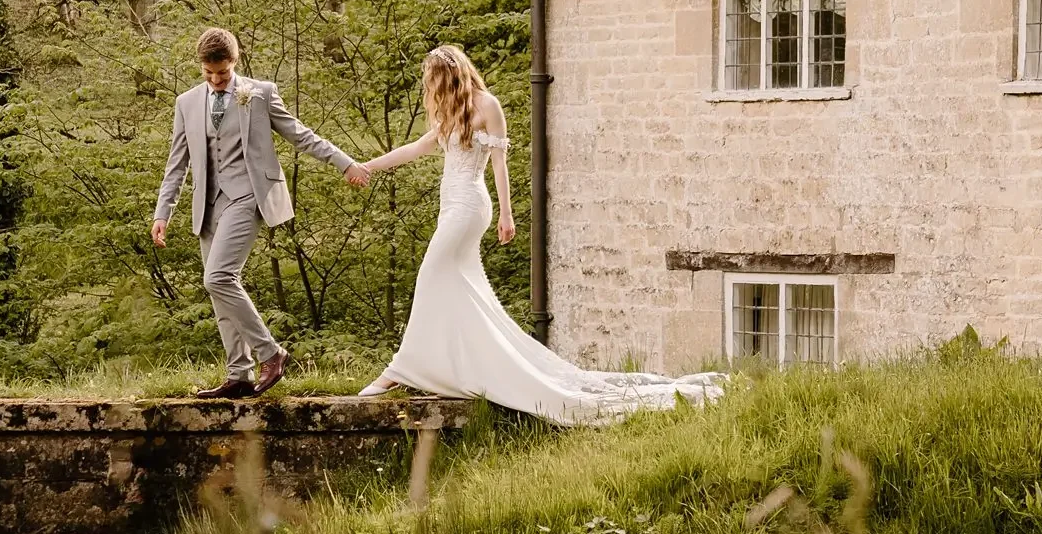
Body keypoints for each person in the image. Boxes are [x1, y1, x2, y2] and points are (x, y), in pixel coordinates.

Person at [353, 45, 721, 425]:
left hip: (469, 207)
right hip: (450, 206)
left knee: (430, 276)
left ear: (451, 74)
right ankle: (450, 365)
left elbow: (499, 165)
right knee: (457, 288)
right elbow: (416, 148)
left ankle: (399, 370)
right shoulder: (451, 110)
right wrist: (366, 166)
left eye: (434, 78)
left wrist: (507, 214)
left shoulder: (487, 105)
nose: (431, 85)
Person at [154, 27, 370, 397]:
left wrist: (345, 162)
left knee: (218, 277)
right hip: (208, 204)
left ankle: (271, 353)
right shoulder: (187, 103)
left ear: (234, 63)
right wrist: (163, 212)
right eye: (209, 74)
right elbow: (178, 162)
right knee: (219, 290)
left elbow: (300, 134)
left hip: (247, 195)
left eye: (222, 74)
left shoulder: (260, 94)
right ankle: (238, 375)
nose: (217, 81)